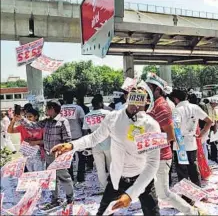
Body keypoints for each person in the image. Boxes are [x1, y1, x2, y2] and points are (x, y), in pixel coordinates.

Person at [51, 87, 161, 216]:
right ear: (127, 97)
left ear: (146, 101)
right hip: (118, 178)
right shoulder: (113, 117)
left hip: (143, 179)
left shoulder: (152, 125)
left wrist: (131, 194)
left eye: (140, 97)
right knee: (103, 212)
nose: (135, 101)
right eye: (133, 95)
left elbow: (153, 164)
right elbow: (94, 137)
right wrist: (71, 145)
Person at [145, 74, 199, 215]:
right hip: (155, 154)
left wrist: (147, 143)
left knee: (164, 193)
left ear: (157, 90)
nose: (146, 90)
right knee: (150, 191)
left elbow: (170, 136)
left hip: (161, 155)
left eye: (149, 87)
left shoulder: (161, 106)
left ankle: (190, 211)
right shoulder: (154, 105)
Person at [14, 100, 74, 210]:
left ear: (52, 109)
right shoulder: (46, 121)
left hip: (58, 155)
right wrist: (21, 119)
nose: (45, 110)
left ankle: (70, 199)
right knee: (52, 178)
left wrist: (63, 154)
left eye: (47, 108)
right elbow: (33, 125)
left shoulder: (62, 121)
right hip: (48, 155)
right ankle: (55, 199)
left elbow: (67, 140)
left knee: (64, 177)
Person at [169, 89, 212, 187]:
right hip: (192, 142)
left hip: (180, 144)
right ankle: (197, 191)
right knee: (193, 169)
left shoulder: (176, 110)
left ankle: (187, 196)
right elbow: (209, 121)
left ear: (176, 99)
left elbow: (176, 128)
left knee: (182, 172)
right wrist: (202, 133)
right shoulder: (195, 107)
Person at [82, 97, 111, 191]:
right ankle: (114, 187)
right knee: (111, 165)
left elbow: (85, 132)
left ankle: (104, 187)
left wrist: (87, 146)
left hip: (95, 143)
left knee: (100, 167)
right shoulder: (107, 113)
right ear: (101, 103)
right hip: (108, 141)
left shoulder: (87, 116)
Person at [62, 92, 86, 187]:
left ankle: (70, 178)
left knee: (68, 159)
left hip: (65, 137)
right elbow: (84, 122)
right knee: (81, 158)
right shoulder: (78, 108)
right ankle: (80, 178)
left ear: (63, 99)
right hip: (78, 136)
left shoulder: (60, 109)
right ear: (73, 99)